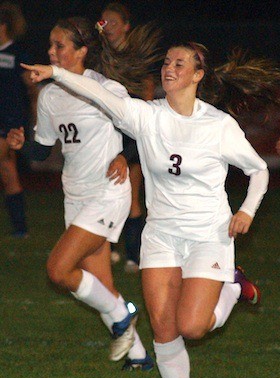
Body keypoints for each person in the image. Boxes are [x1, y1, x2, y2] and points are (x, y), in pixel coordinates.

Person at [18, 41, 280, 378]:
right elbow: (99, 93)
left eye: (180, 64)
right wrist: (57, 74)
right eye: (166, 62)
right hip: (161, 233)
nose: (169, 68)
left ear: (197, 75)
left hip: (207, 233)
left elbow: (258, 170)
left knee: (191, 327)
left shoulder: (218, 125)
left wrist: (246, 211)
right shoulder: (147, 116)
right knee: (164, 327)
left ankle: (231, 288)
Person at [7, 16, 153, 371]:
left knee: (58, 270)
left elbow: (142, 129)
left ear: (82, 51)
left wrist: (124, 155)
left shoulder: (105, 89)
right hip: (74, 195)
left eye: (60, 46)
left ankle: (122, 314)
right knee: (100, 283)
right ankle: (138, 357)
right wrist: (23, 145)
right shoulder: (49, 95)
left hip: (108, 192)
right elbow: (43, 150)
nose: (51, 51)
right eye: (51, 45)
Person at [101, 2, 155, 273]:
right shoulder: (98, 57)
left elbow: (146, 88)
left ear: (125, 27)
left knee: (133, 194)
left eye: (112, 21)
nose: (106, 26)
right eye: (103, 21)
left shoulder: (135, 57)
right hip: (105, 130)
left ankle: (133, 255)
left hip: (130, 131)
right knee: (106, 192)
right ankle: (107, 249)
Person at [0, 2, 37, 238]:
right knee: (7, 171)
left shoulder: (18, 53)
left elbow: (31, 87)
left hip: (10, 122)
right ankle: (21, 228)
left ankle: (21, 227)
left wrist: (34, 114)